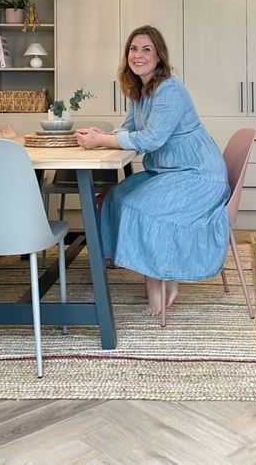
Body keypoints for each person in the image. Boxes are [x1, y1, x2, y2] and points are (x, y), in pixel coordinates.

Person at [76, 25, 230, 318]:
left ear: (159, 56)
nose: (138, 55)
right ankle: (161, 272)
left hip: (198, 176)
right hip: (170, 172)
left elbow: (151, 139)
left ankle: (161, 282)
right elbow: (132, 129)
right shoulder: (140, 90)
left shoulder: (169, 89)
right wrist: (103, 134)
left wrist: (103, 141)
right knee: (117, 196)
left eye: (146, 49)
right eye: (133, 49)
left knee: (137, 206)